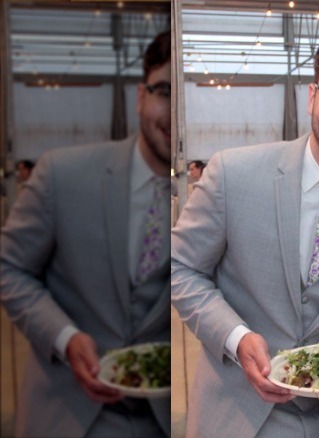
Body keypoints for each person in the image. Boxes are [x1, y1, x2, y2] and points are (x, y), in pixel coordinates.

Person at [171, 28, 319, 437]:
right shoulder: (234, 173)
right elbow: (180, 268)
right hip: (243, 405)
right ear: (313, 97)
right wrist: (236, 338)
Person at [0, 30, 171, 437]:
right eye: (165, 91)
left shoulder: (212, 194)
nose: (176, 112)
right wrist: (65, 336)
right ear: (140, 95)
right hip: (72, 412)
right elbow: (9, 268)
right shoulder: (63, 174)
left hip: (167, 417)